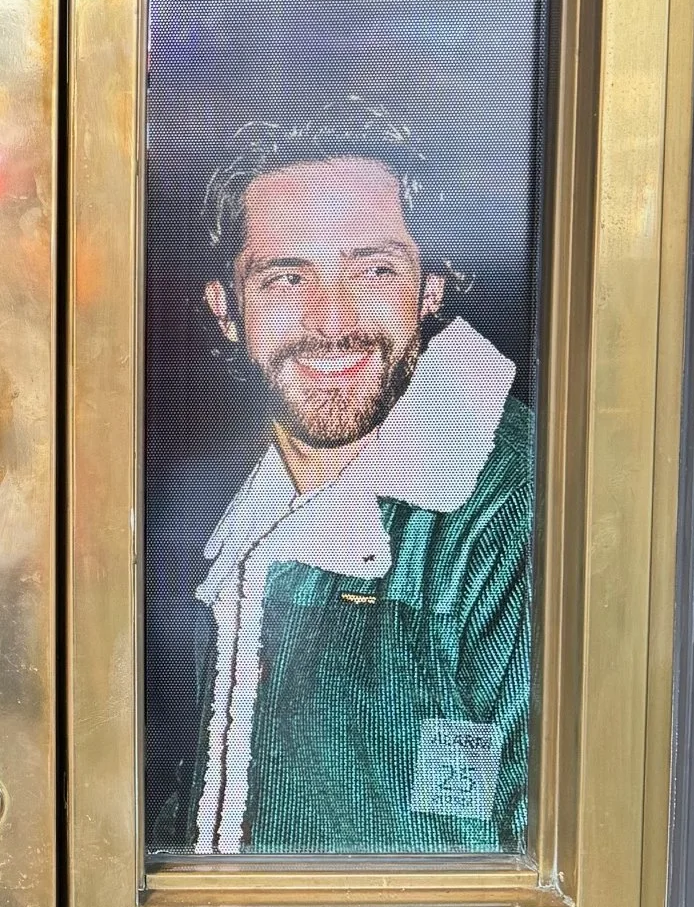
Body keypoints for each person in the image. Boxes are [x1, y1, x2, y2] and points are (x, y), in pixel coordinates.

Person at [169, 99, 532, 855]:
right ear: (225, 311)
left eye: (372, 269)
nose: (333, 320)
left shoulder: (518, 512)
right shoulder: (227, 519)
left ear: (430, 291)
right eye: (286, 279)